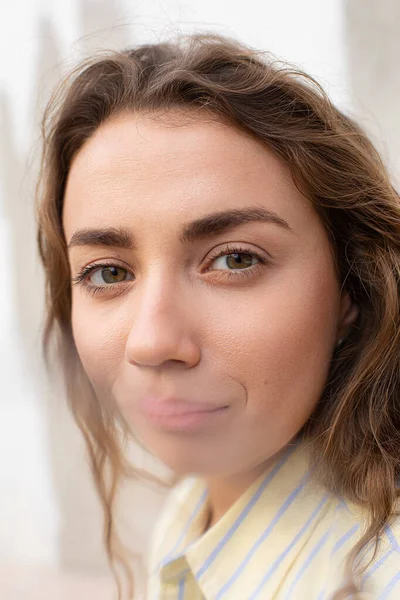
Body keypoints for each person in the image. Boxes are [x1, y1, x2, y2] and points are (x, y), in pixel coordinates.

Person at [36, 33, 400, 599]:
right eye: (108, 273)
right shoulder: (188, 511)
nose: (153, 341)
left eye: (234, 259)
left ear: (352, 288)